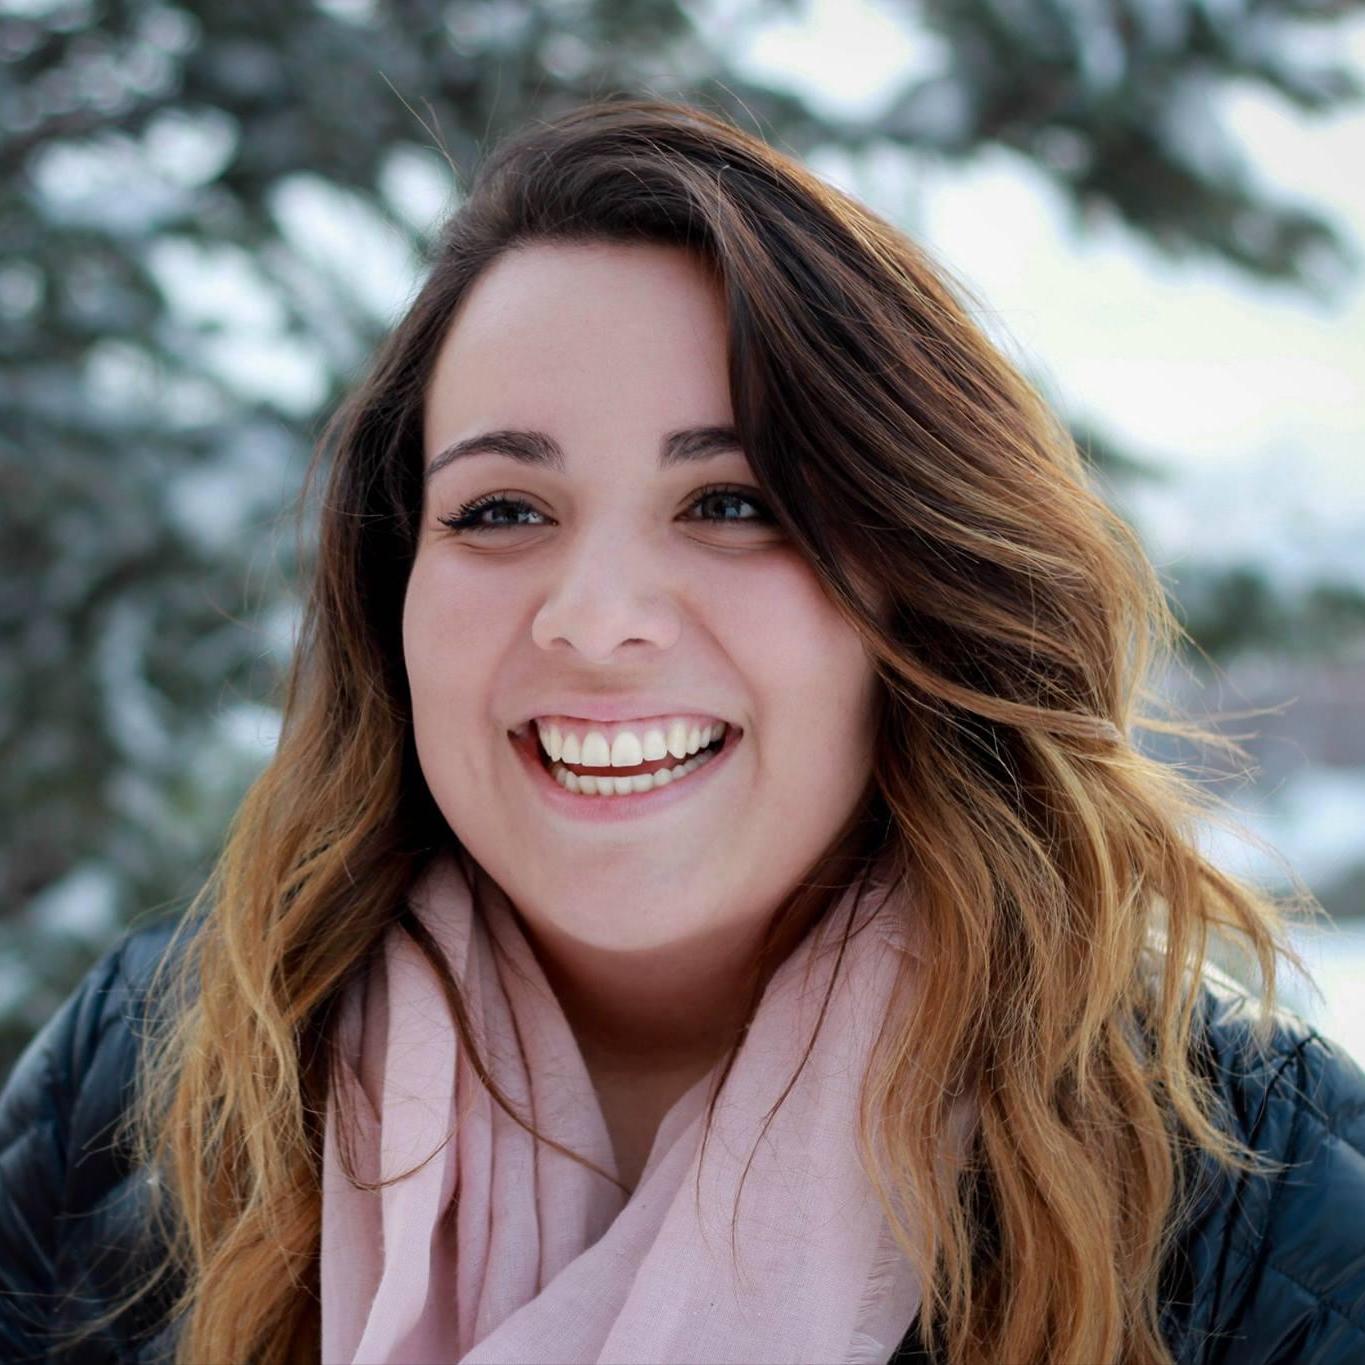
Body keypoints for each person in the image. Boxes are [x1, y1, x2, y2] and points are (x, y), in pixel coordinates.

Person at [2, 97, 1363, 1365]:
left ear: (918, 583)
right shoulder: (142, 1084)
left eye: (731, 504)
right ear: (389, 593)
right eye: (500, 510)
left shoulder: (1261, 1205)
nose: (593, 621)